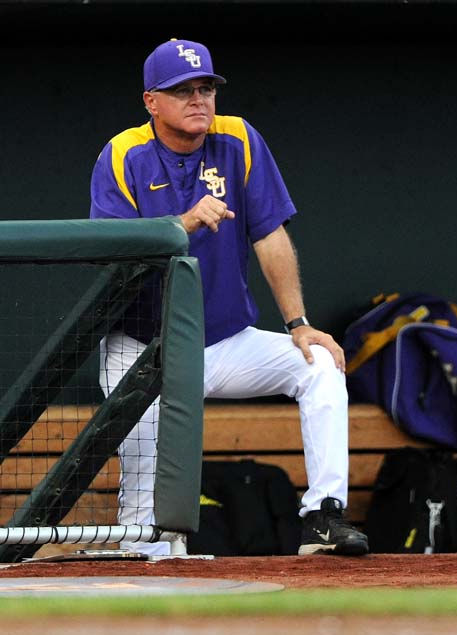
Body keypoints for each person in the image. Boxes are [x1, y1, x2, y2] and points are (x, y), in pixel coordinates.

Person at [89, 37, 368, 557]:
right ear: (152, 101)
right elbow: (114, 255)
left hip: (223, 341)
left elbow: (270, 234)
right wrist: (182, 223)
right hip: (143, 349)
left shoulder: (237, 138)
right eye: (182, 90)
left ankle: (324, 517)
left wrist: (298, 323)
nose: (199, 99)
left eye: (205, 88)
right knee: (142, 531)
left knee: (319, 365)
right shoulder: (123, 153)